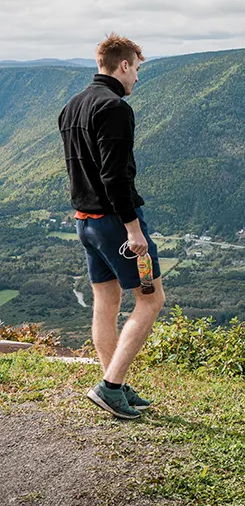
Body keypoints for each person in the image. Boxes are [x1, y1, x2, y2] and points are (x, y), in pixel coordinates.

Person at [58, 33, 165, 419]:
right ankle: (111, 385)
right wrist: (133, 229)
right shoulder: (115, 108)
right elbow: (115, 177)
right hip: (116, 224)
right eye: (136, 69)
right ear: (123, 65)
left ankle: (112, 380)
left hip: (84, 223)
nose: (137, 77)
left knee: (106, 302)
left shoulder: (72, 107)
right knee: (151, 299)